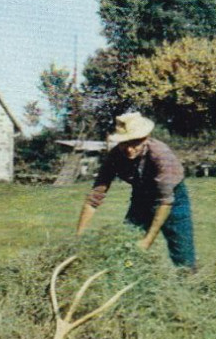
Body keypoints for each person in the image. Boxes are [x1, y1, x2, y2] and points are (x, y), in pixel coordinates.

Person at [75, 111, 197, 269]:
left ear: (145, 138)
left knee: (183, 257)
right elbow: (94, 198)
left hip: (173, 200)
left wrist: (146, 242)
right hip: (141, 198)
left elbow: (165, 201)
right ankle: (129, 279)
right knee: (126, 245)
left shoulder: (161, 155)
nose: (129, 149)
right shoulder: (114, 157)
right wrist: (79, 239)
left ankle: (188, 285)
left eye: (135, 143)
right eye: (125, 143)